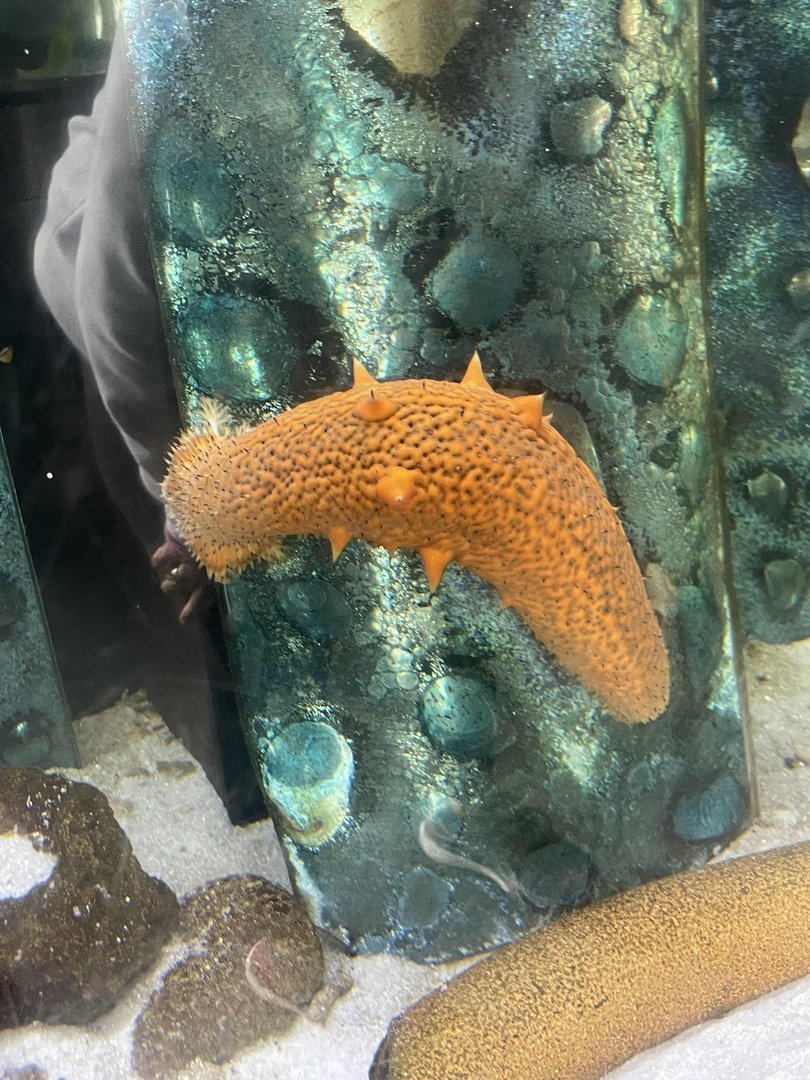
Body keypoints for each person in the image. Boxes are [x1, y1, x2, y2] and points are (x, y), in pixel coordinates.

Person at [34, 27, 208, 622]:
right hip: (127, 331)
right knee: (205, 594)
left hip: (135, 303)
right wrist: (181, 502)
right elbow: (113, 288)